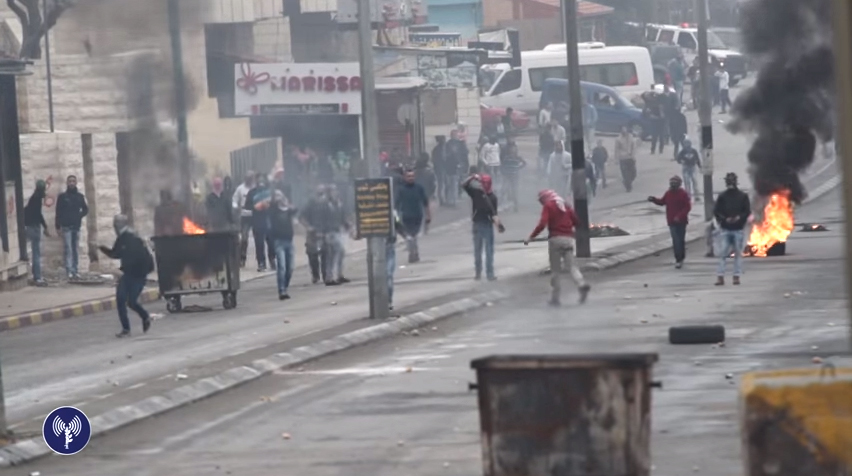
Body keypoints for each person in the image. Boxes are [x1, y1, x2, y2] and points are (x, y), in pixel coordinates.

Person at [524, 190, 590, 306]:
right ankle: (581, 284)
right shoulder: (566, 205)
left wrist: (531, 237)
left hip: (555, 240)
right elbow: (577, 221)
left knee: (556, 270)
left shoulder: (548, 206)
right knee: (572, 267)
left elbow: (542, 224)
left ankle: (555, 298)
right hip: (568, 239)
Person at [98, 214, 154, 338]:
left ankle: (145, 317)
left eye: (115, 225)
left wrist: (140, 271)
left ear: (119, 225)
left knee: (132, 302)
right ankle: (126, 329)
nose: (114, 228)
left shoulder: (133, 238)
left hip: (138, 275)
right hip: (127, 275)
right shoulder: (123, 238)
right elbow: (115, 254)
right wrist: (101, 247)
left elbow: (143, 258)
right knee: (120, 299)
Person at [462, 173, 502, 281]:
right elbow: (464, 185)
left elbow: (494, 214)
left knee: (483, 251)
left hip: (485, 225)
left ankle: (484, 273)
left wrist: (498, 224)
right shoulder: (477, 193)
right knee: (483, 250)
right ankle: (482, 273)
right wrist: (472, 177)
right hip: (479, 224)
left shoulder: (490, 197)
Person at [713, 172, 751, 286]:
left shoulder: (742, 196)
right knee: (724, 254)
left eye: (731, 181)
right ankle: (721, 276)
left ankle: (735, 276)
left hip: (737, 229)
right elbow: (716, 211)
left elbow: (747, 211)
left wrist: (738, 218)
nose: (730, 183)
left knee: (735, 255)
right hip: (726, 229)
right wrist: (724, 219)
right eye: (729, 181)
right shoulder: (723, 196)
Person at [648, 176, 692, 269]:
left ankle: (681, 257)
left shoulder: (683, 194)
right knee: (676, 240)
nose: (673, 184)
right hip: (671, 221)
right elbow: (662, 202)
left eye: (674, 183)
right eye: (671, 182)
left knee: (680, 240)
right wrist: (654, 200)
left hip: (682, 221)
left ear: (679, 184)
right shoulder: (668, 193)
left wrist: (679, 216)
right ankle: (678, 259)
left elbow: (687, 207)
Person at [55, 175, 89, 279]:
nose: (71, 183)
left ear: (76, 183)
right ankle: (69, 270)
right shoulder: (63, 197)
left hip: (76, 226)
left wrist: (79, 216)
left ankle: (75, 270)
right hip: (66, 226)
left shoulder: (79, 196)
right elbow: (58, 212)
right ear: (67, 183)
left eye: (73, 181)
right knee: (68, 248)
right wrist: (58, 226)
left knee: (75, 249)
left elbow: (85, 209)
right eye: (70, 181)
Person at [395, 169, 431, 263]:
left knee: (414, 236)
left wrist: (428, 215)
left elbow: (425, 202)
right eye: (408, 176)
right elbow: (396, 205)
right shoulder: (401, 189)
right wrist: (396, 219)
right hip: (406, 217)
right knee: (409, 236)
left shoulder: (419, 188)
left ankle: (414, 252)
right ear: (405, 177)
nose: (410, 178)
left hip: (417, 216)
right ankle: (413, 253)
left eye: (412, 176)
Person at [269, 190, 298, 300]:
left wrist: (286, 203)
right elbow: (269, 210)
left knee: (290, 267)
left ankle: (284, 286)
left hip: (289, 241)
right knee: (282, 267)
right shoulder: (273, 210)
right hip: (278, 241)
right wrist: (274, 202)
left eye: (280, 195)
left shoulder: (287, 210)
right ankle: (282, 290)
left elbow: (295, 210)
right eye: (276, 196)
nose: (278, 198)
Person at [299, 185, 330, 284]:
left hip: (325, 231)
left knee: (326, 254)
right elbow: (301, 216)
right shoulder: (310, 202)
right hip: (313, 232)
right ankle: (315, 275)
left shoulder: (328, 202)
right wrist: (308, 227)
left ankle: (326, 275)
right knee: (312, 255)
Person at [244, 172, 274, 272]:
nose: (261, 181)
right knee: (259, 243)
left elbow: (275, 204)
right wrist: (256, 207)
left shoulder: (269, 192)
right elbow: (247, 207)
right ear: (256, 181)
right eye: (258, 179)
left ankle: (272, 260)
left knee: (271, 242)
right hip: (257, 221)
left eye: (262, 179)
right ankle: (261, 263)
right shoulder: (251, 193)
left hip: (269, 220)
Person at [323, 184, 351, 285]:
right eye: (333, 191)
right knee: (334, 253)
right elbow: (321, 219)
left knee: (339, 253)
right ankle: (331, 277)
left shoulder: (339, 204)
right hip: (329, 232)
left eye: (335, 191)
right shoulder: (325, 205)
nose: (335, 193)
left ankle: (338, 275)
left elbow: (343, 217)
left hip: (338, 231)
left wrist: (348, 226)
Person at [24, 179, 49, 286]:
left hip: (30, 226)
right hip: (34, 227)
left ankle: (36, 275)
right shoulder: (36, 199)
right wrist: (45, 227)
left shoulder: (34, 198)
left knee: (34, 252)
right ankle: (37, 277)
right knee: (36, 253)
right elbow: (38, 215)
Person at [386, 211, 408, 311]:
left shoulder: (392, 212)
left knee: (389, 275)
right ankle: (385, 300)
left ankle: (388, 301)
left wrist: (405, 235)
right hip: (378, 248)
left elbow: (398, 225)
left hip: (389, 246)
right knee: (386, 276)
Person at [232, 172, 255, 267]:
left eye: (251, 178)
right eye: (248, 178)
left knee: (261, 238)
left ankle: (264, 260)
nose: (249, 180)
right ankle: (242, 258)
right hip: (244, 216)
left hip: (255, 215)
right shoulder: (240, 189)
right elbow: (234, 200)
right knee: (244, 238)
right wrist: (237, 207)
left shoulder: (255, 188)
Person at [444, 130, 468, 206]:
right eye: (453, 135)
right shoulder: (448, 144)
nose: (454, 136)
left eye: (455, 135)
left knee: (455, 183)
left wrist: (463, 164)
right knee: (450, 184)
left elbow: (465, 154)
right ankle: (450, 199)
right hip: (450, 166)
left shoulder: (459, 144)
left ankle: (454, 199)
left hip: (456, 166)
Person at [500, 142, 526, 211]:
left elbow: (524, 163)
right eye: (511, 150)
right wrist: (504, 173)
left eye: (514, 150)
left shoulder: (518, 158)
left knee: (514, 191)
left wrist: (518, 167)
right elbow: (503, 165)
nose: (513, 151)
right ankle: (504, 204)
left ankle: (515, 206)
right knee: (504, 190)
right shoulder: (507, 158)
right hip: (507, 176)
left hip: (514, 176)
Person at [643, 86, 666, 155]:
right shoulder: (649, 103)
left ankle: (660, 150)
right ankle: (653, 150)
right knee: (655, 137)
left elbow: (663, 112)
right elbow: (646, 112)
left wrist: (662, 114)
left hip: (660, 121)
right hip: (654, 121)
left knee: (661, 136)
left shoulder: (660, 102)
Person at [614, 126, 637, 192]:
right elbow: (616, 149)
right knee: (626, 174)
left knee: (633, 174)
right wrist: (616, 159)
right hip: (623, 158)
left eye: (625, 129)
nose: (624, 131)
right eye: (622, 130)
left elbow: (633, 146)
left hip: (630, 157)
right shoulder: (618, 139)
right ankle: (628, 187)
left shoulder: (630, 137)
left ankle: (627, 182)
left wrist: (633, 155)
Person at [432, 136, 448, 205]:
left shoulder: (437, 149)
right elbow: (436, 160)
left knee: (444, 184)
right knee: (442, 184)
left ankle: (444, 199)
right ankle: (442, 200)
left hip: (442, 169)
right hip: (441, 169)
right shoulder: (438, 149)